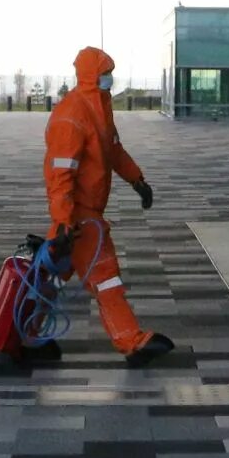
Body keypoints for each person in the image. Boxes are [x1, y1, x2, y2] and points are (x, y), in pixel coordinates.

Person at [40, 46, 172, 366]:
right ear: (90, 76)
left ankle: (23, 336)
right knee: (105, 275)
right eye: (104, 72)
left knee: (50, 279)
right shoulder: (73, 115)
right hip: (79, 216)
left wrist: (137, 180)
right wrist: (62, 223)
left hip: (82, 214)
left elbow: (113, 151)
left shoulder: (98, 107)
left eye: (110, 71)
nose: (109, 78)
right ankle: (131, 341)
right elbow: (60, 175)